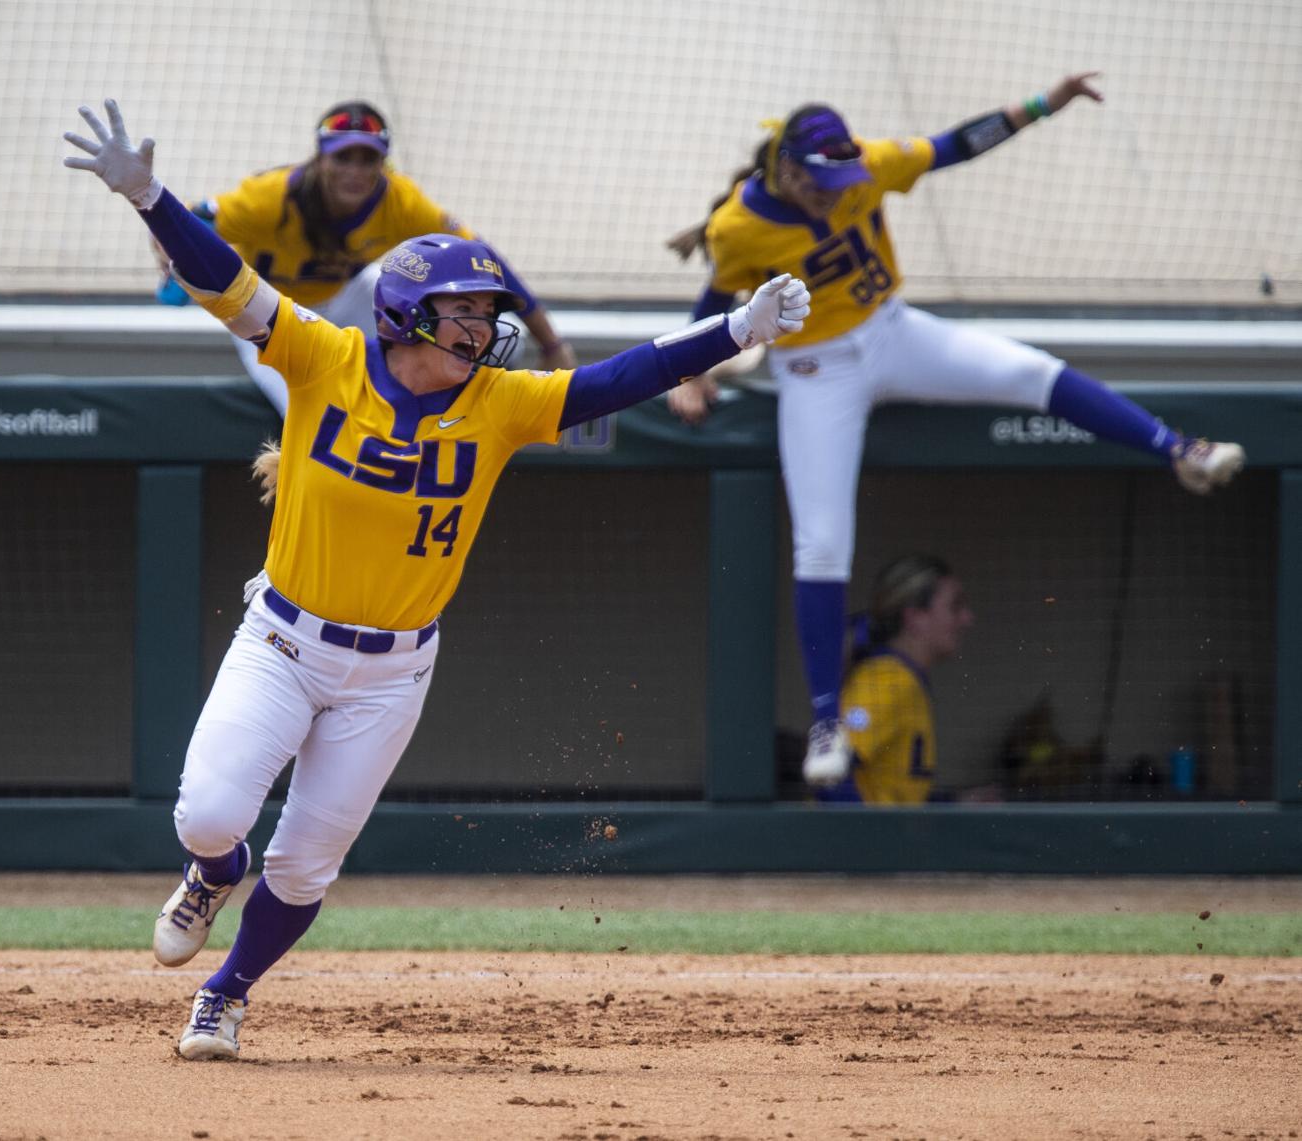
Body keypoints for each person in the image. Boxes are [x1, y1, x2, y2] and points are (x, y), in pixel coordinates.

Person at [63, 99, 810, 1062]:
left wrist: (734, 330)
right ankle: (213, 871)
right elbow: (230, 284)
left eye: (486, 312)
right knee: (208, 815)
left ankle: (227, 991)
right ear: (410, 314)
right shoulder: (324, 356)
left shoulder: (497, 404)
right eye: (465, 311)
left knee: (308, 862)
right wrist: (151, 199)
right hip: (285, 641)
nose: (484, 326)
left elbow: (618, 381)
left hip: (393, 672)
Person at [663, 75, 1247, 790]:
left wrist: (1040, 106)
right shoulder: (737, 225)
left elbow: (954, 146)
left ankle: (1179, 449)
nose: (832, 189)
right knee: (820, 537)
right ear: (785, 169)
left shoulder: (870, 165)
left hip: (892, 330)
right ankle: (825, 719)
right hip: (815, 368)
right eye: (818, 179)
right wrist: (692, 374)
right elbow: (713, 300)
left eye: (839, 177)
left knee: (1029, 372)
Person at [153, 100, 575, 415]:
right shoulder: (270, 198)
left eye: (368, 158)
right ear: (320, 158)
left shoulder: (399, 200)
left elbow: (483, 259)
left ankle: (461, 409)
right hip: (272, 309)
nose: (355, 170)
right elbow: (181, 220)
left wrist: (551, 343)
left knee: (466, 313)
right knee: (312, 410)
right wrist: (168, 256)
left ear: (382, 162)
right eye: (344, 157)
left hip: (350, 295)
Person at [815, 554, 972, 805]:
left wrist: (954, 802)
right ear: (915, 618)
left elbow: (893, 796)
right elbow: (830, 778)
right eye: (955, 607)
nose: (966, 619)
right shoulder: (888, 680)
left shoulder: (903, 677)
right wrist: (865, 841)